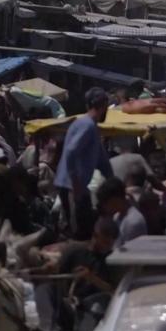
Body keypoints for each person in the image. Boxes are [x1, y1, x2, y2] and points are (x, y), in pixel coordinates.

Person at [54, 87, 114, 240]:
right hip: (72, 188)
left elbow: (102, 160)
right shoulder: (86, 125)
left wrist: (115, 185)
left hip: (78, 188)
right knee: (79, 234)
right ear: (104, 105)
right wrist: (75, 185)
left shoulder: (91, 127)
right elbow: (71, 152)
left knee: (88, 228)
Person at [56, 217, 119, 299]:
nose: (108, 247)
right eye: (106, 242)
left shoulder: (111, 260)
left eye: (111, 244)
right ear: (96, 235)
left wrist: (93, 279)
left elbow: (114, 291)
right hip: (72, 301)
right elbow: (58, 277)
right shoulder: (75, 251)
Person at [97, 177, 147, 248]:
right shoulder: (117, 217)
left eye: (106, 203)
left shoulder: (134, 222)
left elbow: (128, 253)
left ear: (115, 199)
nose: (105, 208)